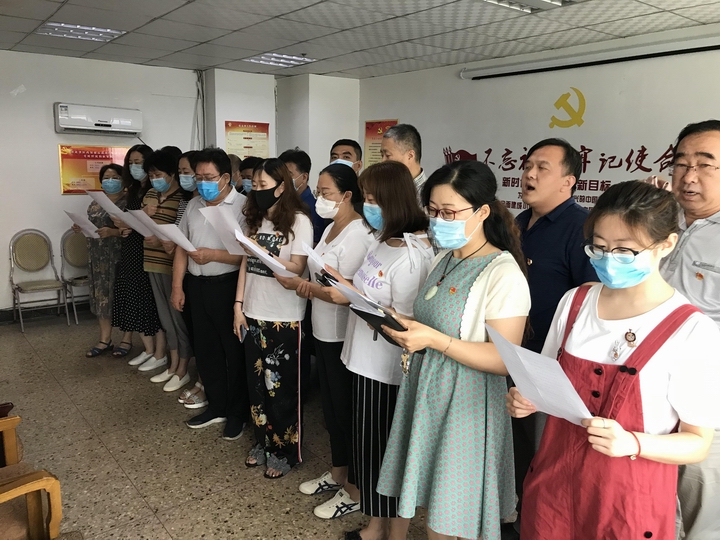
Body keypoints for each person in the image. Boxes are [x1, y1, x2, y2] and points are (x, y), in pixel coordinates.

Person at [507, 180, 720, 540]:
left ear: (667, 244)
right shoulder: (575, 303)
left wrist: (633, 443)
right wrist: (528, 398)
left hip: (627, 504)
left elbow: (697, 442)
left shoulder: (692, 330)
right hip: (553, 489)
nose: (608, 260)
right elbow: (547, 381)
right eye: (600, 248)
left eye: (625, 251)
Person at [376, 160, 530, 540]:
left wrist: (434, 341)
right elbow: (431, 320)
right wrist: (399, 322)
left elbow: (503, 360)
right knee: (430, 497)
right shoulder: (443, 258)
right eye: (432, 211)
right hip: (427, 391)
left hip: (467, 404)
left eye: (449, 212)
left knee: (449, 515)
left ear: (482, 212)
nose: (438, 221)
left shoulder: (502, 273)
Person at [331, 161, 434, 540]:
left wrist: (356, 300)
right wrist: (344, 286)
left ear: (394, 199)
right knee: (367, 449)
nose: (367, 206)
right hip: (361, 359)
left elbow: (406, 326)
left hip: (387, 371)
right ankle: (375, 524)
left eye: (374, 199)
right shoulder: (382, 239)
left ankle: (391, 532)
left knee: (385, 454)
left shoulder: (412, 255)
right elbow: (368, 292)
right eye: (365, 198)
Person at [513, 138, 598, 519]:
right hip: (509, 354)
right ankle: (512, 516)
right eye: (528, 166)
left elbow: (590, 302)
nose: (529, 174)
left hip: (548, 366)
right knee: (515, 448)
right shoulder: (517, 223)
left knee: (541, 456)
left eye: (542, 168)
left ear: (569, 181)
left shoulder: (580, 229)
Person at [291, 164, 372, 519]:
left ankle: (354, 489)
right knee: (331, 410)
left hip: (342, 336)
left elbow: (350, 293)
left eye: (325, 193)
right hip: (322, 331)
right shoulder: (330, 227)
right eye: (319, 192)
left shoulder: (358, 234)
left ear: (347, 195)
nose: (319, 198)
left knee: (344, 412)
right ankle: (338, 472)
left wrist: (310, 288)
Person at [233, 158, 313, 479]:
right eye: (254, 185)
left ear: (281, 187)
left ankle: (285, 451)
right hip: (252, 312)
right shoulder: (255, 219)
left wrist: (264, 254)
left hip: (284, 317)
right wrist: (238, 305)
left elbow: (297, 268)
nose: (257, 190)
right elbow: (245, 265)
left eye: (263, 186)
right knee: (257, 387)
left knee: (281, 389)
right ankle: (262, 442)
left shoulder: (299, 221)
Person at [660, 120, 720, 540]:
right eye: (681, 164)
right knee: (651, 511)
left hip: (705, 406)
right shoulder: (656, 221)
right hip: (648, 399)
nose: (689, 176)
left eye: (705, 164)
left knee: (701, 516)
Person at [171, 148, 249, 439]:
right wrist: (177, 287)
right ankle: (216, 406)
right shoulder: (194, 204)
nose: (202, 183)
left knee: (234, 353)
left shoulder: (243, 206)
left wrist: (213, 255)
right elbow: (182, 247)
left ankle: (237, 413)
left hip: (228, 286)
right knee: (206, 351)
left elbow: (249, 255)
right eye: (198, 177)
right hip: (197, 286)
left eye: (208, 177)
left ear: (225, 177)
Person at [141, 150, 192, 391]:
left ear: (171, 174)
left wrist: (162, 241)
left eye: (158, 174)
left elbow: (180, 236)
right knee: (165, 318)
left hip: (172, 265)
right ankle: (172, 364)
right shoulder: (150, 194)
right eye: (151, 175)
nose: (155, 179)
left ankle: (183, 367)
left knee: (178, 319)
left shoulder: (183, 198)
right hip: (150, 261)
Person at [111, 144, 164, 368]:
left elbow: (156, 222)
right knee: (133, 300)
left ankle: (159, 352)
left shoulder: (155, 189)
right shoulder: (133, 189)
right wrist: (124, 226)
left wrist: (133, 221)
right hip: (130, 248)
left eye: (138, 163)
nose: (134, 167)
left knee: (149, 302)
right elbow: (132, 218)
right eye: (130, 163)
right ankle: (148, 349)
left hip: (149, 250)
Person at [80, 164, 132, 357]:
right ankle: (105, 339)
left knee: (124, 297)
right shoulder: (96, 203)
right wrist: (81, 227)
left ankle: (127, 339)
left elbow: (135, 230)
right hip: (98, 258)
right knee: (101, 298)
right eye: (106, 177)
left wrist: (113, 232)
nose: (110, 181)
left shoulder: (129, 202)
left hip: (120, 257)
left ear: (123, 180)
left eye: (115, 177)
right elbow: (92, 226)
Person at [278, 148, 324, 244]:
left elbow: (314, 244)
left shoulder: (315, 209)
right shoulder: (279, 201)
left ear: (304, 177)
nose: (283, 179)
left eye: (289, 174)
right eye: (281, 174)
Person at [381, 124, 425, 196]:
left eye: (388, 155)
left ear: (410, 156)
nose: (383, 161)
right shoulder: (389, 188)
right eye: (382, 155)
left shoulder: (428, 195)